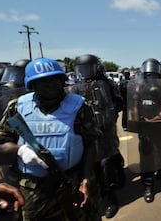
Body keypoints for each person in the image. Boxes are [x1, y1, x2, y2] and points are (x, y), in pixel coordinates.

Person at [0, 57, 102, 220]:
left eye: (54, 80)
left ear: (62, 81)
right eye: (43, 81)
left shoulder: (80, 107)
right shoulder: (17, 108)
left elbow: (90, 143)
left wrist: (85, 180)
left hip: (72, 181)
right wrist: (20, 150)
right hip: (34, 189)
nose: (50, 85)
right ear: (33, 85)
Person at [69, 54, 125, 219]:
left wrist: (110, 115)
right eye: (82, 69)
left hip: (106, 131)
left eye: (89, 68)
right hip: (88, 134)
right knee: (94, 167)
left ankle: (111, 199)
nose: (86, 72)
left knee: (107, 163)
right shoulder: (76, 88)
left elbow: (118, 102)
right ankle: (101, 193)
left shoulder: (106, 84)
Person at [123, 58, 161, 203]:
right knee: (146, 157)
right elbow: (135, 104)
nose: (151, 78)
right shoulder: (139, 87)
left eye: (153, 75)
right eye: (149, 75)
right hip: (145, 126)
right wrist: (138, 122)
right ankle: (148, 186)